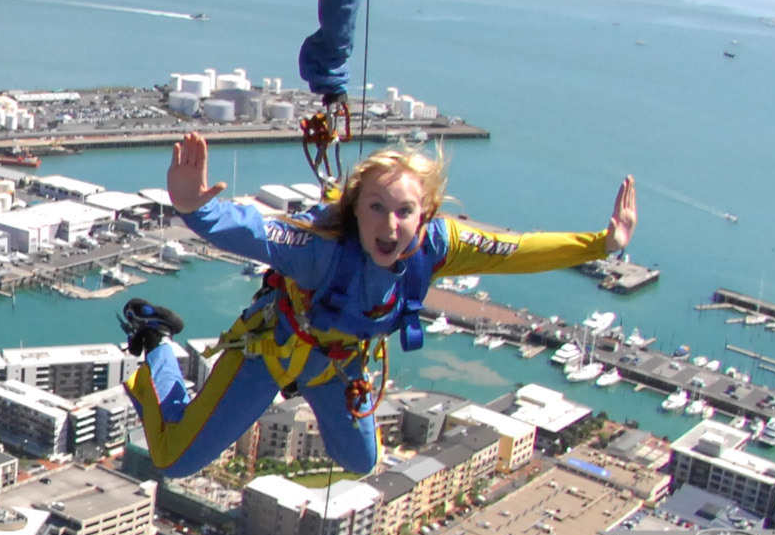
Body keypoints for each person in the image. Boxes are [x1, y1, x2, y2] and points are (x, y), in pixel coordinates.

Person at [122, 133, 636, 479]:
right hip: (271, 350)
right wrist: (195, 207)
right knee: (174, 459)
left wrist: (601, 245)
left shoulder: (438, 245)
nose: (390, 226)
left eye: (404, 212)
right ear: (354, 210)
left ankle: (170, 350)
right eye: (376, 208)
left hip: (338, 364)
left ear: (425, 213)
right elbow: (254, 232)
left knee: (361, 461)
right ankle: (158, 342)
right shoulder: (322, 249)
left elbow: (517, 251)